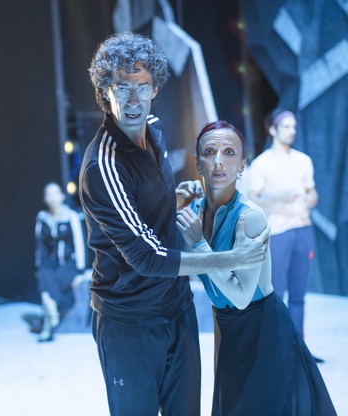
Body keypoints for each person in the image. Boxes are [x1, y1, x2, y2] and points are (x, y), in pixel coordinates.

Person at [79, 32, 269, 415]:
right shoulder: (104, 166)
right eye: (121, 88)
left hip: (177, 308)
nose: (133, 100)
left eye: (142, 87)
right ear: (104, 92)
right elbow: (147, 257)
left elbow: (145, 215)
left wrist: (174, 200)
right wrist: (232, 258)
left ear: (155, 89)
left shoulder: (154, 130)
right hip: (129, 321)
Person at [176, 120, 336, 415]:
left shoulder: (249, 216)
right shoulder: (195, 212)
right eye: (209, 152)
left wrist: (199, 245)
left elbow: (240, 296)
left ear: (242, 165)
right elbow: (180, 268)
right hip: (228, 328)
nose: (218, 161)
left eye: (229, 152)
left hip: (263, 330)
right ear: (198, 163)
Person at [245, 109, 318, 339]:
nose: (291, 131)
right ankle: (278, 345)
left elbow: (312, 192)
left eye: (293, 126)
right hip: (277, 232)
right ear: (273, 129)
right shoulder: (261, 163)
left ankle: (298, 346)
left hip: (302, 228)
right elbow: (252, 198)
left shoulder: (303, 160)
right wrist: (278, 196)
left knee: (299, 295)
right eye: (286, 126)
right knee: (276, 293)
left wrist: (311, 198)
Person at [34, 182, 86, 342]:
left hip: (69, 264)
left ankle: (48, 325)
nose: (52, 197)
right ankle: (52, 315)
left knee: (49, 281)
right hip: (51, 263)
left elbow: (79, 243)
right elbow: (40, 246)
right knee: (44, 274)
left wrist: (80, 271)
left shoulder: (71, 216)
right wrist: (39, 266)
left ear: (62, 196)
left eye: (55, 193)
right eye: (48, 194)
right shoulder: (42, 217)